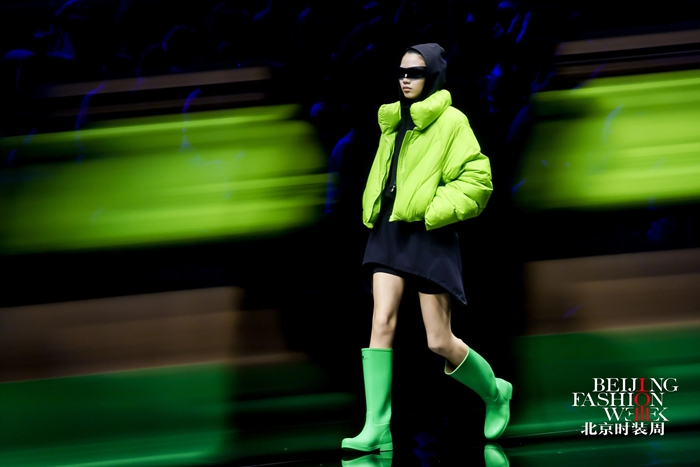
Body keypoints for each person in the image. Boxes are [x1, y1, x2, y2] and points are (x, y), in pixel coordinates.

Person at [341, 43, 511, 452]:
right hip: (389, 231)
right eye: (401, 72)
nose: (405, 79)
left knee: (438, 340)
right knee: (381, 321)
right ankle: (377, 427)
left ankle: (494, 392)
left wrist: (432, 210)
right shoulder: (393, 119)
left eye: (415, 73)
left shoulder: (452, 121)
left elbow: (478, 180)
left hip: (428, 234)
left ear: (432, 76)